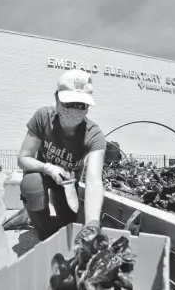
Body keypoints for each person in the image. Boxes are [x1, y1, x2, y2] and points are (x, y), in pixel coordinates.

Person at [17, 69, 106, 241]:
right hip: (43, 175)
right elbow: (23, 158)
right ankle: (41, 230)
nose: (75, 110)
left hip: (68, 184)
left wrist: (92, 224)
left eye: (81, 105)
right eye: (70, 103)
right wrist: (48, 168)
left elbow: (94, 180)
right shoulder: (43, 117)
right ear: (57, 99)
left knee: (68, 226)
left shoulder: (94, 134)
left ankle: (35, 219)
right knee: (31, 183)